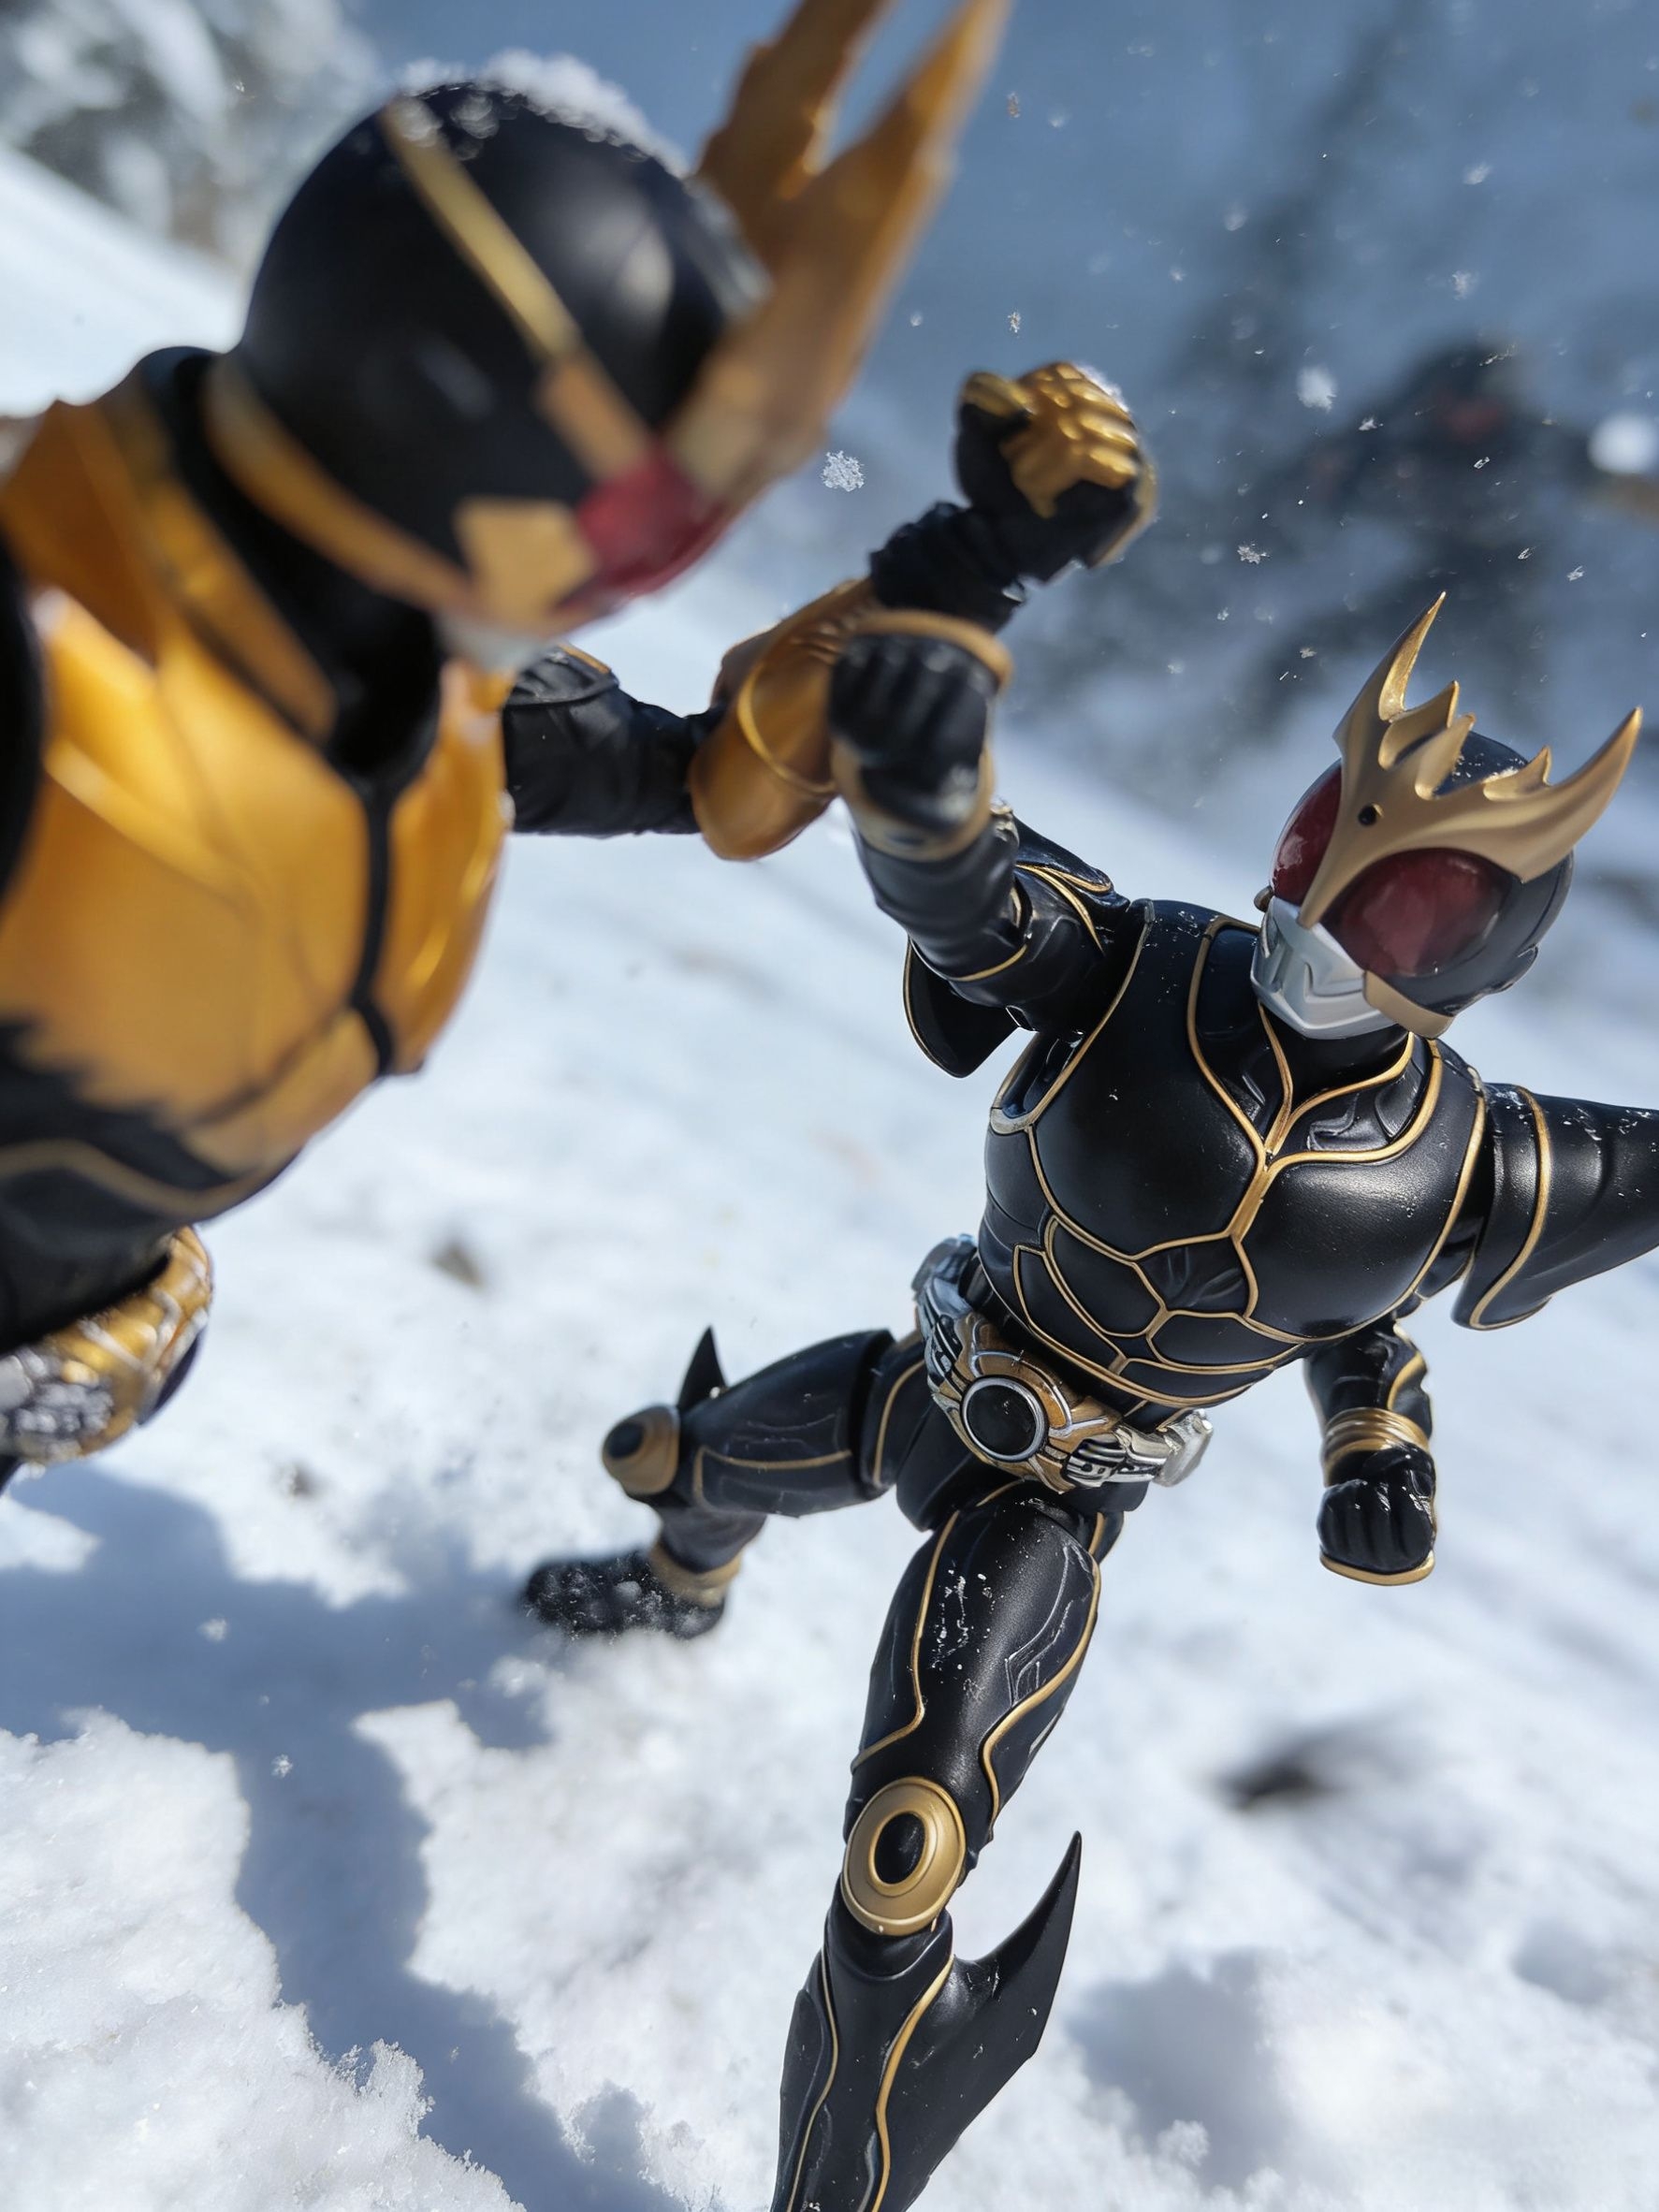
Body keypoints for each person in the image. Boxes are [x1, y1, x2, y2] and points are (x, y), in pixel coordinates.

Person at [525, 387, 1652, 2210]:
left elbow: (1350, 1302)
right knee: (680, 1457)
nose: (1330, 909)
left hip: (1054, 1501)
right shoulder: (1142, 966)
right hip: (927, 1373)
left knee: (904, 1850)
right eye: (1321, 841)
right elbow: (965, 891)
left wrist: (1374, 1441)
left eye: (1406, 906)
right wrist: (917, 758)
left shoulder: (1460, 1158)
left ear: (1484, 950)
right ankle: (679, 1571)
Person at [0, 0, 1015, 1482]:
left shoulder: (415, 688)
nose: (641, 569)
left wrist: (964, 570)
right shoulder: (51, 648)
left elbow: (706, 779)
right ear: (447, 421)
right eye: (641, 516)